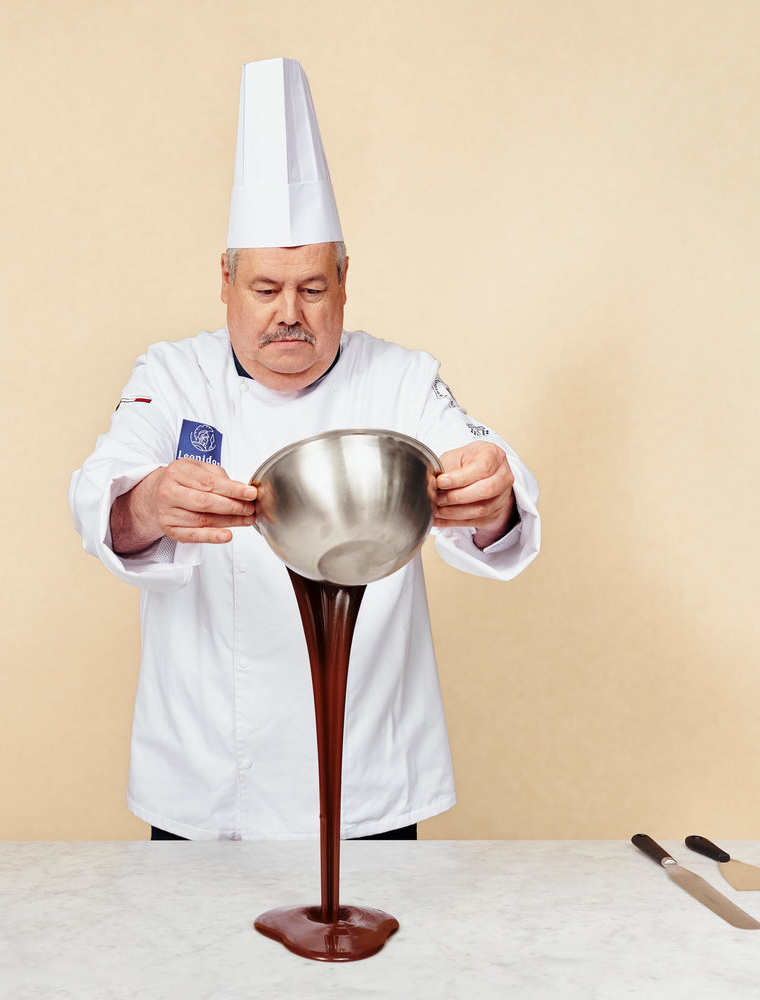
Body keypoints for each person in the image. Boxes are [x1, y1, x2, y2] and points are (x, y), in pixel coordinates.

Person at [69, 57, 540, 842]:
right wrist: (149, 502)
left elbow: (485, 467)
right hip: (207, 783)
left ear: (346, 281)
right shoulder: (171, 375)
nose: (289, 314)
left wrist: (491, 497)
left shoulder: (399, 378)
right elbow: (101, 497)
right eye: (264, 290)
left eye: (313, 289)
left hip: (367, 785)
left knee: (371, 967)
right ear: (224, 280)